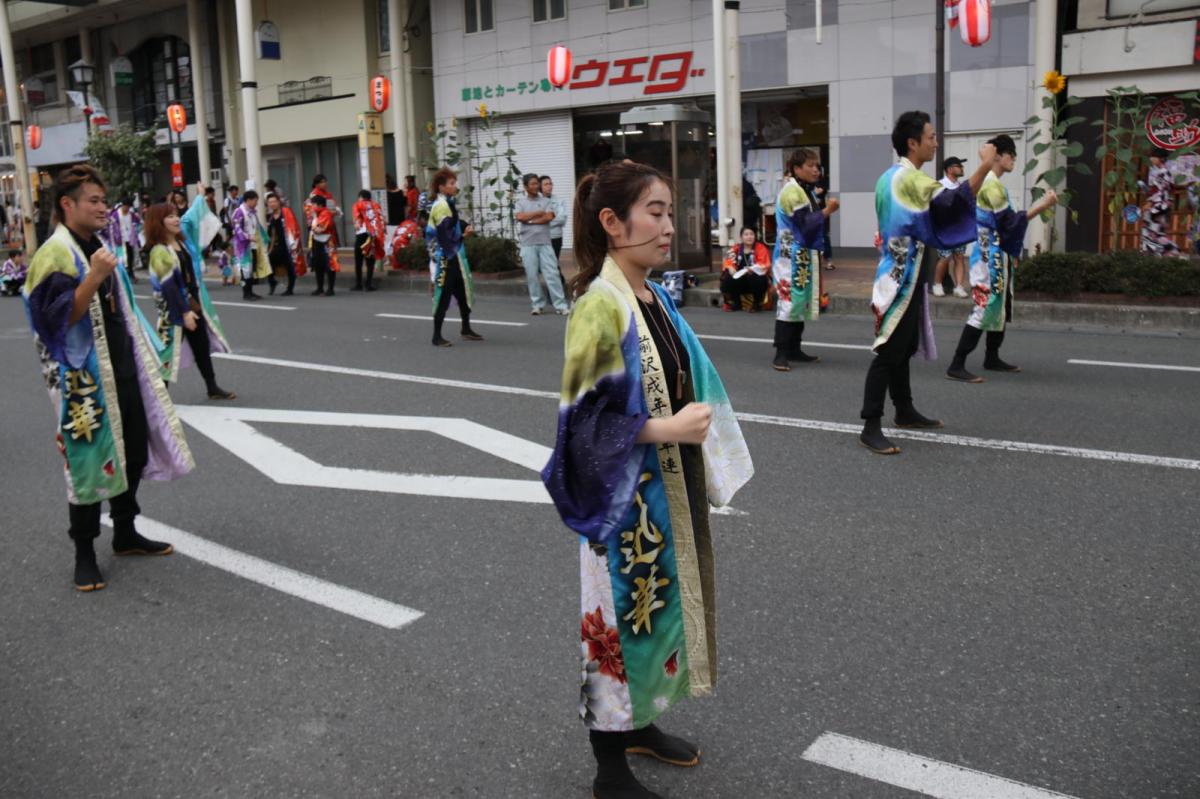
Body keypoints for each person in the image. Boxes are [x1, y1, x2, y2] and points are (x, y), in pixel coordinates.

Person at [541, 160, 753, 799]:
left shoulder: (651, 294)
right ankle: (609, 769)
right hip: (619, 505)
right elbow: (579, 427)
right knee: (614, 628)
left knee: (658, 618)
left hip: (662, 496)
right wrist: (666, 431)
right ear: (612, 222)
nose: (668, 226)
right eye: (654, 213)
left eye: (668, 212)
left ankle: (641, 724)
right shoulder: (597, 308)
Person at [21, 165, 193, 591]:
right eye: (94, 201)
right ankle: (84, 553)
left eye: (104, 200)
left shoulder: (95, 243)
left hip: (121, 369)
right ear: (67, 204)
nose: (103, 208)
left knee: (132, 452)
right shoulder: (55, 254)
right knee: (86, 463)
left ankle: (126, 532)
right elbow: (55, 320)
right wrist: (95, 276)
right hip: (84, 380)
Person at [858, 111, 994, 455]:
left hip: (902, 271)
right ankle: (870, 425)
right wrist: (985, 166)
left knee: (902, 348)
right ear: (913, 143)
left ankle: (904, 409)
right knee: (889, 351)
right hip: (899, 277)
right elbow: (952, 203)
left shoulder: (891, 176)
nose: (935, 143)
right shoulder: (908, 179)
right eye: (931, 137)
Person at [946, 135, 1058, 382]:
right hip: (988, 256)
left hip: (994, 252)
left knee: (1001, 303)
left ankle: (992, 356)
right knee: (985, 305)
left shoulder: (991, 182)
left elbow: (1006, 223)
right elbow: (1009, 222)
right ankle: (957, 363)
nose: (1014, 160)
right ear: (998, 155)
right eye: (1011, 155)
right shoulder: (991, 185)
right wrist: (1043, 205)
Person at [143, 201, 235, 398]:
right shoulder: (160, 250)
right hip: (173, 311)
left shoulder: (181, 243)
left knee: (201, 347)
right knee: (167, 353)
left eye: (176, 214)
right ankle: (158, 397)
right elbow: (169, 287)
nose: (176, 219)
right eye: (170, 216)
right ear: (158, 222)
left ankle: (212, 387)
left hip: (192, 304)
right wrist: (184, 313)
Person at [772, 148, 840, 371]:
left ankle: (794, 349)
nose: (815, 169)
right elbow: (805, 224)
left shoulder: (804, 190)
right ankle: (780, 353)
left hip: (801, 255)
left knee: (799, 302)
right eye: (810, 165)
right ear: (796, 168)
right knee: (789, 302)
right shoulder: (793, 192)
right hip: (789, 257)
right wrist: (828, 210)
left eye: (816, 165)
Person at [425, 167, 483, 346]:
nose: (454, 186)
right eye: (451, 183)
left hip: (454, 255)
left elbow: (453, 223)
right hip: (445, 257)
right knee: (443, 294)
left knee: (463, 291)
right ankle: (436, 336)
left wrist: (464, 226)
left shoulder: (448, 202)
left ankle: (466, 328)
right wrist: (462, 235)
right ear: (441, 187)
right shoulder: (441, 205)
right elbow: (444, 234)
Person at [516, 173, 569, 315]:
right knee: (532, 275)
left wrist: (530, 220)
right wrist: (538, 213)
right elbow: (520, 217)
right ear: (526, 187)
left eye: (536, 183)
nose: (536, 186)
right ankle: (537, 304)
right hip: (528, 244)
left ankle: (561, 305)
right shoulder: (520, 202)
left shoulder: (546, 201)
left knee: (552, 274)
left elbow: (549, 217)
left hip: (545, 242)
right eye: (532, 184)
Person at [933, 156, 970, 297]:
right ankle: (937, 284)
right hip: (945, 229)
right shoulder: (939, 185)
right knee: (945, 257)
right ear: (949, 169)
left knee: (959, 257)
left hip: (960, 229)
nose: (962, 168)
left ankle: (959, 287)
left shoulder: (961, 186)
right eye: (958, 166)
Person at [231, 190, 271, 301]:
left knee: (250, 270)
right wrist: (248, 237)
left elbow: (257, 227)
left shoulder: (252, 212)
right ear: (248, 200)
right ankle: (246, 293)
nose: (256, 203)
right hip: (243, 247)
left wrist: (264, 237)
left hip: (252, 245)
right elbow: (237, 229)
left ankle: (251, 291)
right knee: (245, 270)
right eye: (255, 201)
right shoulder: (239, 212)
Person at [1140, 148, 1180, 257]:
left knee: (1154, 232)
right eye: (1151, 156)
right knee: (1155, 232)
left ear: (1161, 159)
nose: (1151, 158)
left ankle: (1170, 250)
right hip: (1159, 205)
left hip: (1159, 206)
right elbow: (1157, 189)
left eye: (1154, 157)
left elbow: (1160, 190)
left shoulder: (1163, 172)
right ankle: (1161, 253)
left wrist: (1150, 203)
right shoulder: (1157, 171)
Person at [720, 226, 771, 311]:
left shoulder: (760, 248)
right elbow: (728, 261)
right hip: (741, 281)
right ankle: (736, 303)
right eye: (746, 234)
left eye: (751, 234)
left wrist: (753, 269)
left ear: (755, 236)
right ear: (741, 237)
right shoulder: (736, 248)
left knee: (756, 278)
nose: (749, 237)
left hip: (755, 280)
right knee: (728, 277)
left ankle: (756, 304)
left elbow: (764, 264)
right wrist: (730, 267)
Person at [266, 192, 306, 296]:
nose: (272, 204)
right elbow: (271, 234)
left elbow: (294, 227)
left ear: (279, 202)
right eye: (270, 202)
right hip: (277, 245)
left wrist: (294, 245)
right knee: (268, 262)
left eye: (274, 201)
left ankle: (290, 288)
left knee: (290, 266)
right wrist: (269, 248)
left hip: (288, 244)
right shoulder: (270, 217)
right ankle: (272, 282)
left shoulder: (286, 212)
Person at [351, 189, 386, 291]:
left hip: (361, 235)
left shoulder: (357, 204)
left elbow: (357, 219)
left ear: (361, 197)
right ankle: (368, 284)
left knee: (358, 260)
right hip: (372, 235)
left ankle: (358, 284)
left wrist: (357, 224)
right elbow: (381, 219)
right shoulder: (376, 205)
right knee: (370, 260)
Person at [308, 194, 340, 296]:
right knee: (318, 265)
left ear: (320, 205)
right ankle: (320, 288)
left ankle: (330, 289)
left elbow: (319, 229)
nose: (311, 207)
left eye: (313, 204)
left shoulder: (325, 214)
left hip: (327, 242)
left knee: (329, 265)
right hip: (317, 242)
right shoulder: (317, 214)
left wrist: (314, 226)